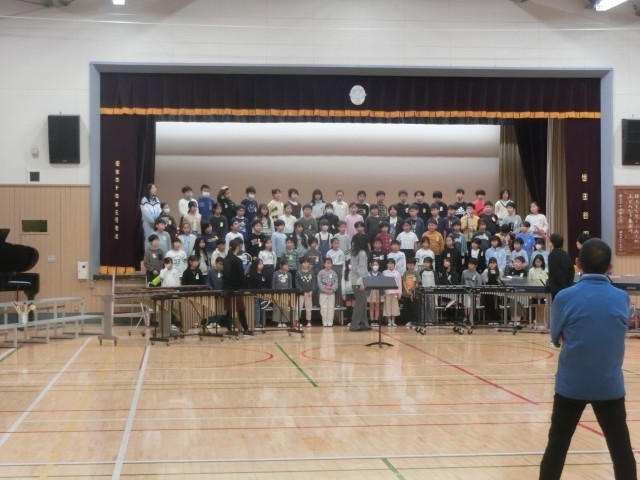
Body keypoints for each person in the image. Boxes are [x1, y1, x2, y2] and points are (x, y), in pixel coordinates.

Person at [539, 238, 636, 480]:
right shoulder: (622, 298)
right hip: (609, 385)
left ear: (578, 264)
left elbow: (555, 337)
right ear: (609, 267)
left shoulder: (564, 296)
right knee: (621, 449)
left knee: (557, 446)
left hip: (571, 385)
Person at [222, 238, 250, 335]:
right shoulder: (237, 260)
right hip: (235, 289)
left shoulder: (225, 259)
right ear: (237, 247)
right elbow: (241, 276)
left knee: (229, 310)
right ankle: (246, 329)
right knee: (241, 309)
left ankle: (229, 329)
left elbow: (225, 274)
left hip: (226, 288)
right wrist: (244, 286)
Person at [349, 233, 372, 331]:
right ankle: (354, 325)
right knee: (360, 303)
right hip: (360, 281)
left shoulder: (353, 253)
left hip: (354, 280)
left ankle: (364, 323)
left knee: (363, 302)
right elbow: (361, 270)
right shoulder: (362, 253)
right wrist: (362, 282)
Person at [547, 233, 575, 300]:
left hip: (557, 288)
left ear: (552, 243)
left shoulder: (552, 255)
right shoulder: (565, 254)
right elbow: (572, 269)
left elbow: (556, 272)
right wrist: (569, 284)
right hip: (567, 287)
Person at [317, 258, 339, 327]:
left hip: (331, 293)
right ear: (324, 264)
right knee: (323, 307)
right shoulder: (321, 273)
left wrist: (332, 289)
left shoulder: (334, 273)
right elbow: (319, 283)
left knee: (331, 307)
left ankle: (330, 322)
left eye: (330, 263)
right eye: (328, 263)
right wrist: (324, 290)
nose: (329, 264)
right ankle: (324, 321)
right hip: (323, 293)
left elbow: (336, 282)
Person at [247, 258, 267, 329]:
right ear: (256, 265)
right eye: (260, 264)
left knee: (263, 308)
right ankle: (257, 323)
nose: (262, 265)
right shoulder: (251, 274)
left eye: (262, 263)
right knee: (257, 309)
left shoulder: (264, 273)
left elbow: (266, 284)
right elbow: (250, 285)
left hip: (263, 294)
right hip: (255, 294)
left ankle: (263, 323)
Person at [140, 183, 161, 248]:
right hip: (147, 223)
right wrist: (152, 221)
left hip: (156, 223)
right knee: (148, 239)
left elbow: (159, 211)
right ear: (149, 190)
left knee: (156, 239)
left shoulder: (156, 199)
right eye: (153, 188)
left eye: (155, 188)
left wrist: (156, 222)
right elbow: (145, 212)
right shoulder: (144, 199)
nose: (155, 189)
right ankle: (147, 253)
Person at [382, 258, 402, 327]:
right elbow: (383, 283)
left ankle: (393, 320)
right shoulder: (384, 272)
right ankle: (389, 321)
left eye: (391, 263)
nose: (390, 265)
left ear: (394, 265)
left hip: (395, 292)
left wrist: (399, 293)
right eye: (388, 263)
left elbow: (399, 283)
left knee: (394, 306)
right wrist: (383, 293)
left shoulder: (397, 273)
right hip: (387, 292)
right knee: (387, 306)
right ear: (387, 265)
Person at [296, 257, 315, 328]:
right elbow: (297, 283)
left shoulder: (311, 272)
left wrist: (311, 290)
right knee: (298, 307)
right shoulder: (298, 272)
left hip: (309, 293)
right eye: (304, 263)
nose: (306, 264)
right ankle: (297, 322)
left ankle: (309, 322)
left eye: (307, 262)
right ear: (301, 264)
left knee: (309, 308)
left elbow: (313, 282)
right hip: (301, 293)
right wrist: (301, 291)